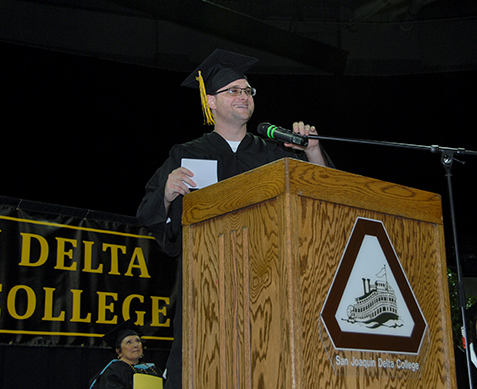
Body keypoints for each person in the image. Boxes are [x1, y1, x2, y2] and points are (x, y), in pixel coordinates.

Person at [136, 48, 333, 389]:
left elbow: (327, 194)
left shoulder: (274, 152)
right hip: (206, 286)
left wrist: (313, 150)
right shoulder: (188, 154)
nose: (244, 96)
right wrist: (166, 195)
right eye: (234, 90)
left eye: (247, 90)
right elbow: (148, 215)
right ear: (210, 101)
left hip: (269, 282)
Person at [89, 320, 163, 389]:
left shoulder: (153, 369)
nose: (135, 345)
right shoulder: (113, 372)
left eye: (138, 341)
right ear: (119, 351)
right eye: (129, 342)